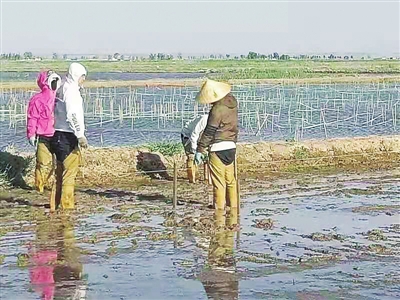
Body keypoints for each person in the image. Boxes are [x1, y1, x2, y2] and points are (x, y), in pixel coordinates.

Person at [194, 79, 239, 213]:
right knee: (230, 181)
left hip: (217, 147)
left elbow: (209, 131)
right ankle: (234, 210)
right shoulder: (233, 104)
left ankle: (219, 213)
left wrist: (200, 149)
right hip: (231, 146)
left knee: (219, 183)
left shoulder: (217, 110)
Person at [50, 62, 88, 211]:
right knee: (69, 174)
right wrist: (80, 135)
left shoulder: (61, 88)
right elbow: (72, 115)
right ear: (78, 76)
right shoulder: (71, 91)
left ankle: (55, 205)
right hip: (67, 135)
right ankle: (66, 208)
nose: (83, 80)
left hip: (56, 133)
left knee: (59, 173)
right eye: (83, 77)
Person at [26, 70, 61, 193]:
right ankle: (39, 186)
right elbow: (32, 117)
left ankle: (51, 184)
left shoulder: (59, 97)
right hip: (43, 136)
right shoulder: (37, 99)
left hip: (59, 135)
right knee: (42, 163)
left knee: (58, 163)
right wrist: (31, 133)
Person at [180, 114, 208, 183]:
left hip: (202, 137)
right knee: (191, 157)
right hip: (188, 135)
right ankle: (192, 179)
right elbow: (194, 135)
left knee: (207, 157)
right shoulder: (204, 119)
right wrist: (194, 149)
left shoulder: (219, 122)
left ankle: (207, 178)